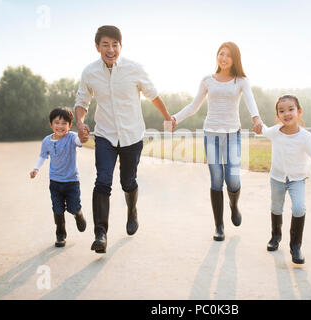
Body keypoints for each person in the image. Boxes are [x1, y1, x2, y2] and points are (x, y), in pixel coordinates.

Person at [74, 25, 174, 254]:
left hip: (131, 136)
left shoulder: (134, 69)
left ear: (121, 46)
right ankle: (100, 233)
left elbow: (153, 95)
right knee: (103, 181)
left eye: (115, 44)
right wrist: (80, 123)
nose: (111, 49)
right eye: (106, 44)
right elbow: (82, 101)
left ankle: (132, 211)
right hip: (105, 136)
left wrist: (167, 117)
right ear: (97, 47)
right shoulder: (89, 72)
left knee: (128, 182)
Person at [171, 41, 263, 241]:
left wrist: (256, 118)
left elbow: (250, 101)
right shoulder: (207, 80)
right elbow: (194, 106)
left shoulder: (241, 81)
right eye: (221, 53)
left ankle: (234, 204)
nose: (223, 58)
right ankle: (219, 226)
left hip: (232, 134)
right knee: (215, 179)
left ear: (234, 59)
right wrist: (175, 118)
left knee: (232, 179)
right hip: (211, 134)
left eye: (228, 55)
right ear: (217, 56)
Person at [255, 94, 311, 264]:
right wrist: (258, 125)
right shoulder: (275, 132)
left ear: (299, 111)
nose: (286, 113)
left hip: (297, 179)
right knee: (276, 207)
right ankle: (275, 237)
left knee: (299, 208)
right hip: (277, 178)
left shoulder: (305, 137)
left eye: (290, 109)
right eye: (282, 111)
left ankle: (295, 247)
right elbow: (263, 129)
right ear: (277, 115)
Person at [30, 107, 87, 248]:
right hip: (55, 182)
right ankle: (60, 235)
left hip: (72, 182)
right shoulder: (47, 141)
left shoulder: (72, 137)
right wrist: (36, 169)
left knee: (73, 207)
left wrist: (82, 135)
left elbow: (80, 142)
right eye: (57, 122)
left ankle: (78, 214)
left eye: (64, 123)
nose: (60, 126)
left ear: (69, 125)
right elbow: (43, 156)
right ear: (51, 124)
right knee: (57, 210)